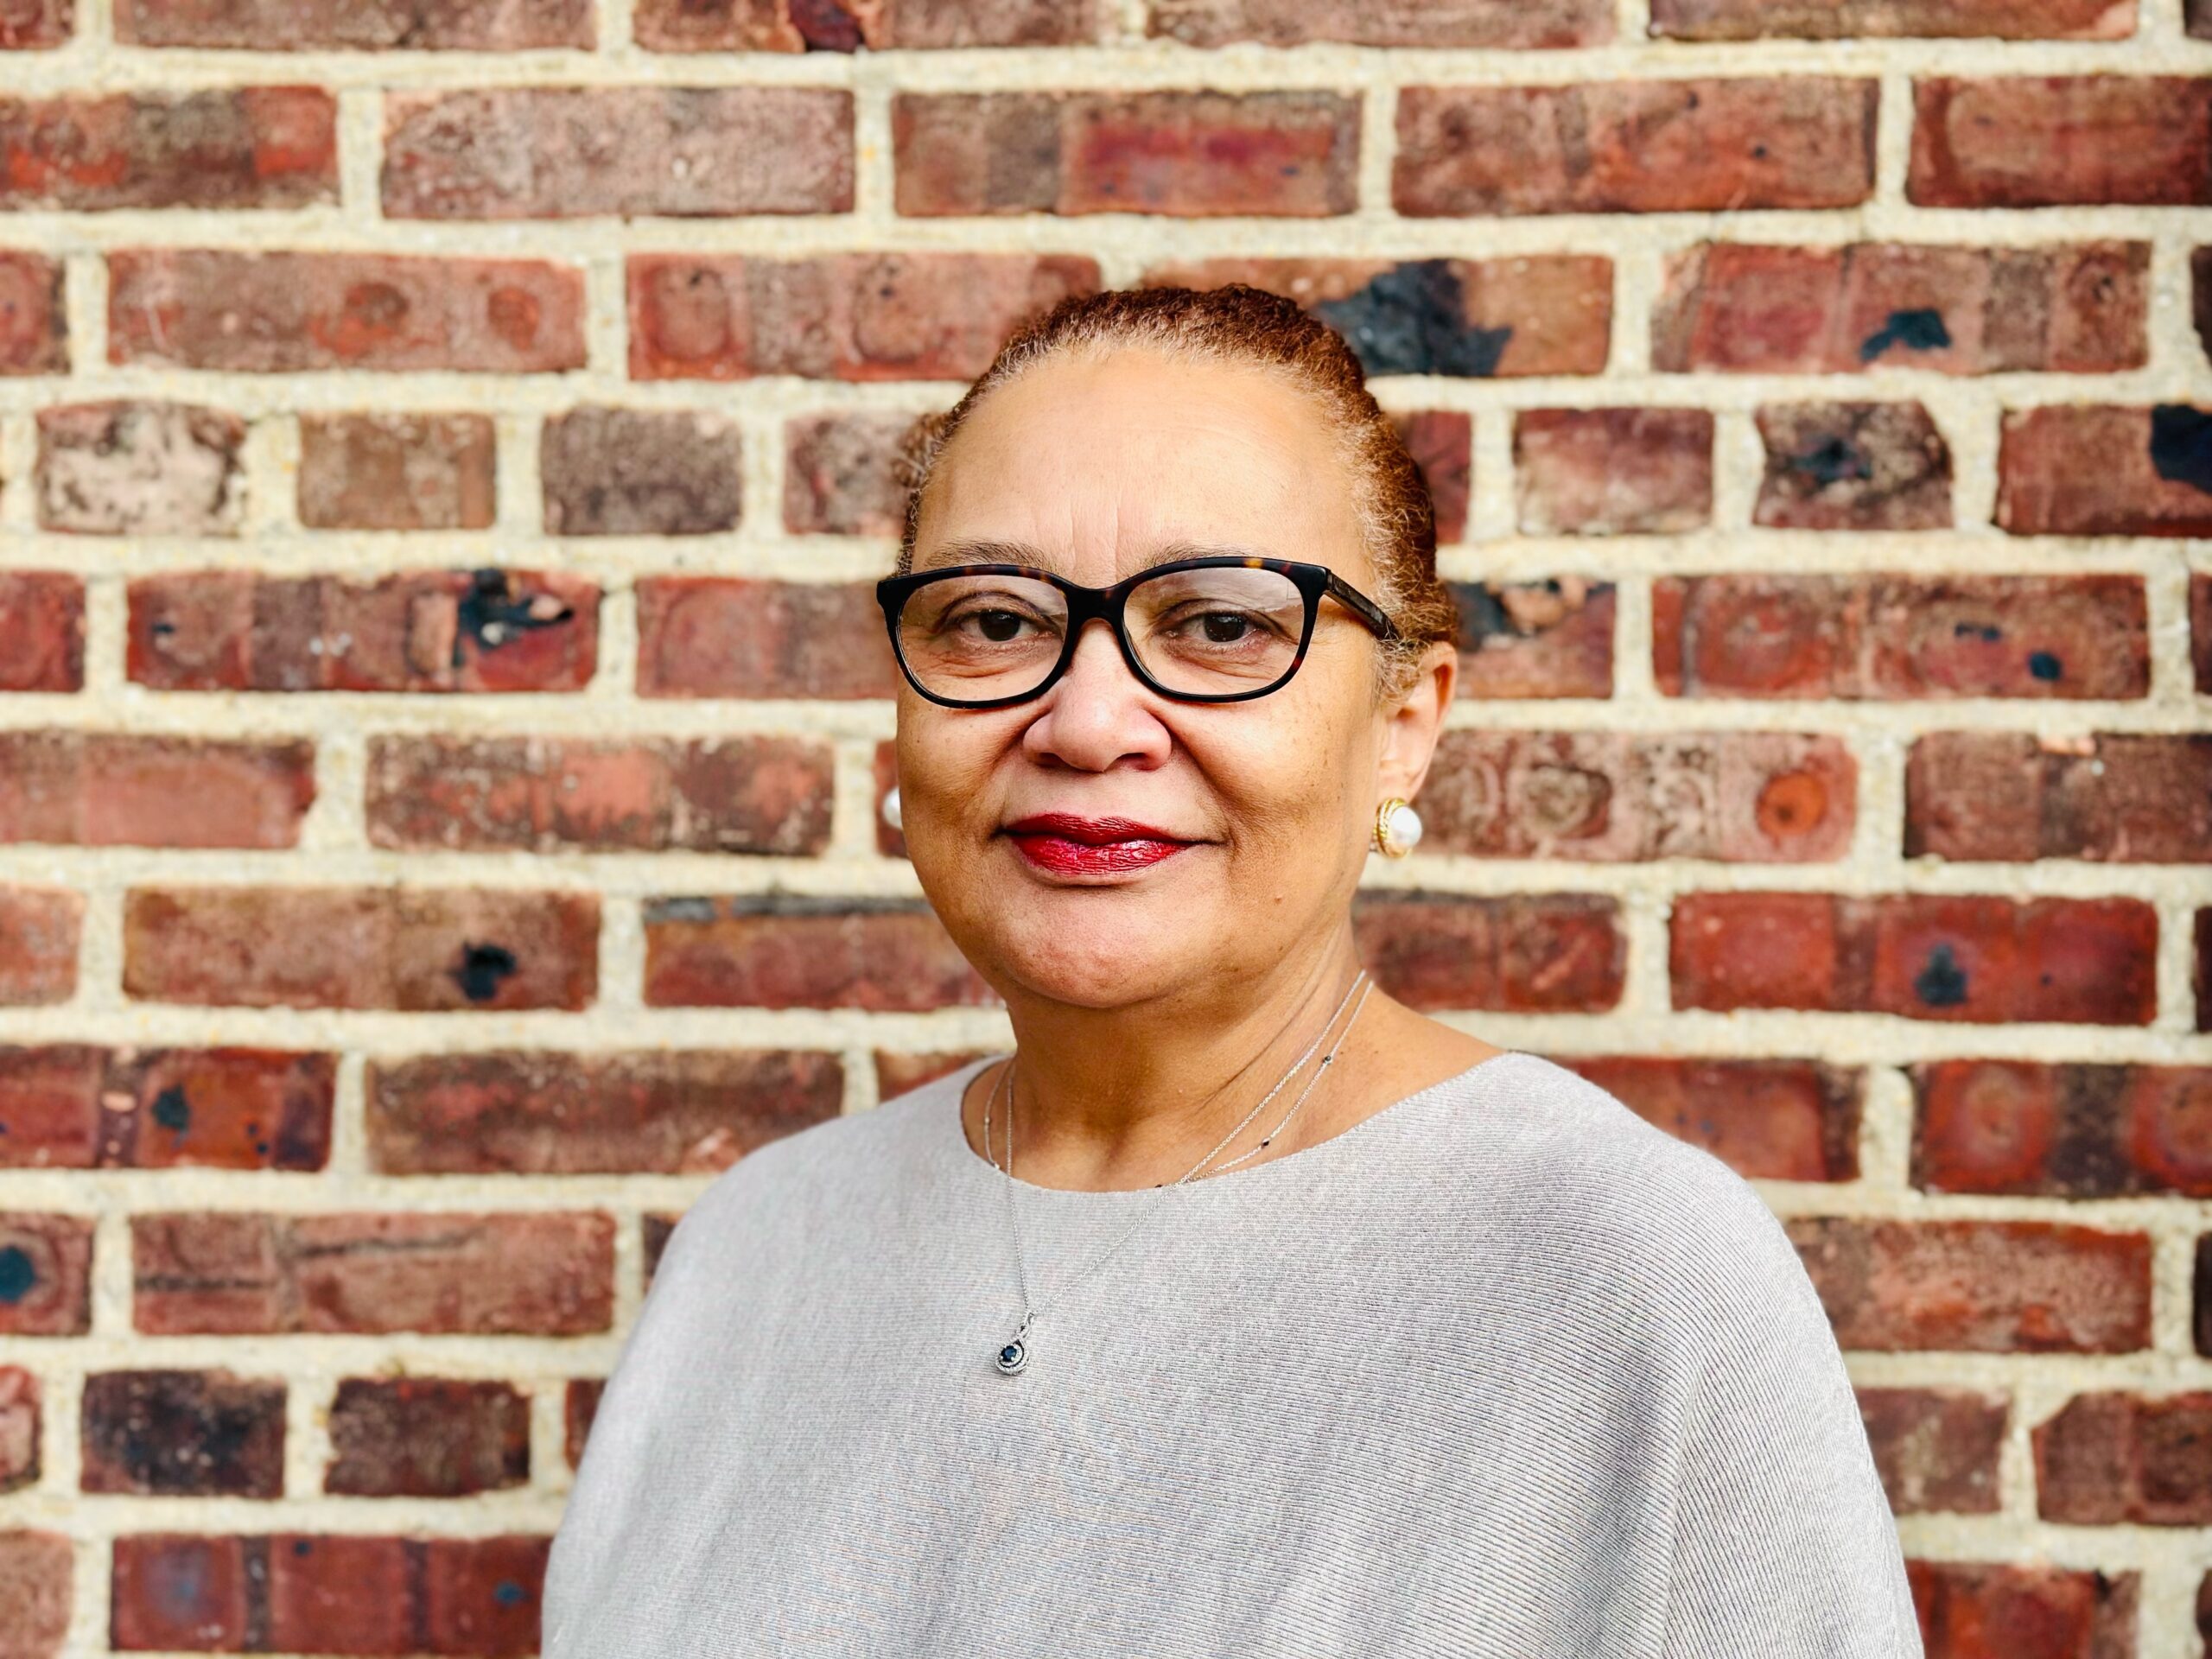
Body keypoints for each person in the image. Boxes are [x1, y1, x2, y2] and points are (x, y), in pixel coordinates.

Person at [541, 284, 1921, 1657]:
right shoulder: (756, 1251)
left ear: (1403, 725)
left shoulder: (1623, 1279)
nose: (1086, 722)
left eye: (1219, 627)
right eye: (997, 621)